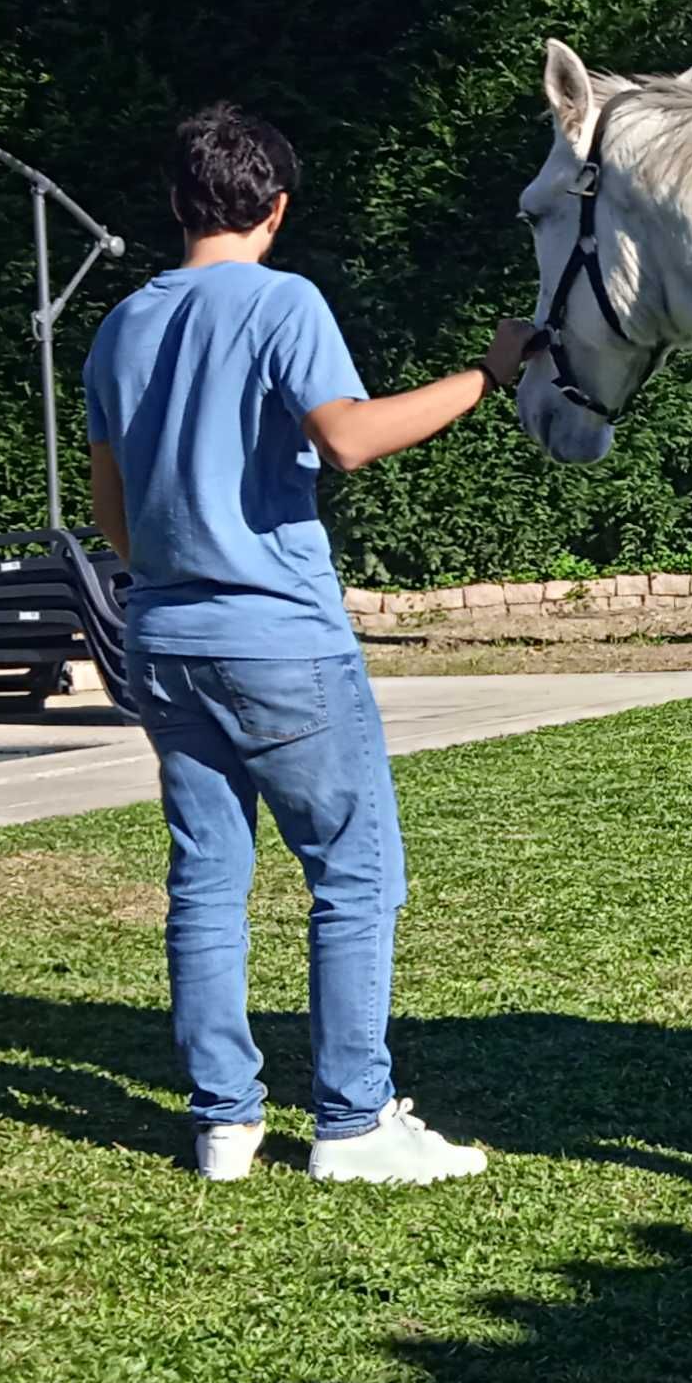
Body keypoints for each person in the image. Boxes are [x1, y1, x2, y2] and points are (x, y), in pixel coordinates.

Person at [84, 102, 533, 1184]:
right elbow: (346, 438)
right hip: (280, 638)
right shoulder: (284, 302)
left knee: (207, 880)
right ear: (274, 208)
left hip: (163, 636)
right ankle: (351, 1121)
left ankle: (224, 1125)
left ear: (179, 202)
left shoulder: (121, 325)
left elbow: (114, 518)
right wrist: (488, 374)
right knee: (354, 875)